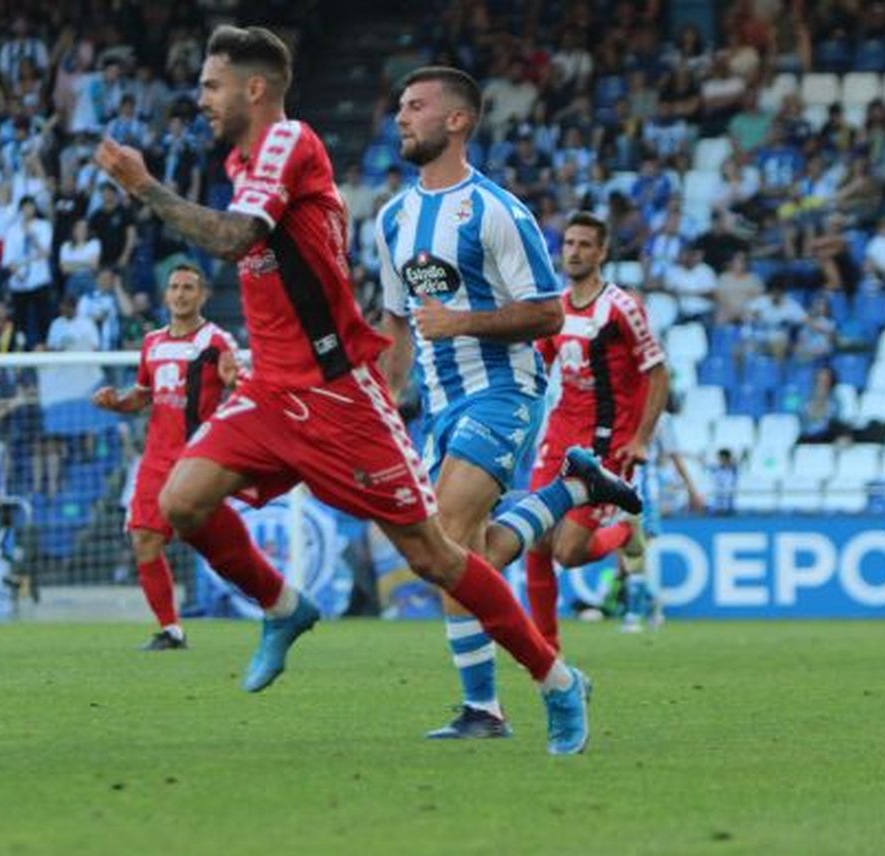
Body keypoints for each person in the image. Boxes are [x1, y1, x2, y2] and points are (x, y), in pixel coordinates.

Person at [93, 27, 595, 754]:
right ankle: (283, 606)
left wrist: (143, 186)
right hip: (272, 387)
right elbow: (385, 315)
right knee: (180, 502)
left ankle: (555, 680)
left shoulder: (290, 142)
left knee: (439, 556)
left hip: (342, 392)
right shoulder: (286, 176)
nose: (198, 98)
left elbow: (236, 241)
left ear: (254, 88)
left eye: (210, 85)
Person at [373, 67, 641, 742]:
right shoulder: (393, 218)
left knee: (446, 539)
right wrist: (384, 397)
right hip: (439, 404)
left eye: (417, 106)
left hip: (504, 391)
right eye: (400, 106)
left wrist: (461, 323)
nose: (401, 117)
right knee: (458, 557)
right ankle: (573, 488)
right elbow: (398, 323)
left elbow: (550, 314)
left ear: (457, 121)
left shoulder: (496, 211)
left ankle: (514, 696)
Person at [516, 212, 673, 647]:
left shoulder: (622, 307)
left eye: (585, 245)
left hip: (607, 444)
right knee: (536, 539)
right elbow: (537, 369)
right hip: (560, 437)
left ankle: (624, 531)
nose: (575, 252)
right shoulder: (555, 309)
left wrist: (640, 439)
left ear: (602, 252)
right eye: (569, 243)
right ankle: (547, 649)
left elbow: (658, 374)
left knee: (567, 553)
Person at [92, 263, 239, 650]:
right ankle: (172, 630)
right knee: (143, 539)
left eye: (189, 287)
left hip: (197, 460)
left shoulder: (216, 340)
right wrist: (116, 403)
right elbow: (142, 396)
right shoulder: (152, 342)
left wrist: (235, 379)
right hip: (156, 459)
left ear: (203, 294)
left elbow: (237, 383)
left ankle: (271, 604)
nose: (180, 294)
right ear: (165, 295)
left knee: (216, 546)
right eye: (174, 287)